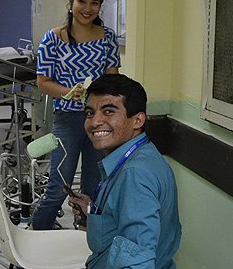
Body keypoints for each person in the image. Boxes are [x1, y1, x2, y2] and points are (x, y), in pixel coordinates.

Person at [31, 0, 120, 230]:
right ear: (70, 2)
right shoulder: (53, 39)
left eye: (94, 3)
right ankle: (38, 237)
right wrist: (70, 92)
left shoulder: (108, 38)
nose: (87, 9)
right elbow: (43, 82)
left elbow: (112, 81)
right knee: (58, 187)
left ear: (100, 6)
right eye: (82, 1)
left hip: (100, 122)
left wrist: (102, 97)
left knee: (93, 188)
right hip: (67, 121)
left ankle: (85, 244)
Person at [68, 74, 182, 268]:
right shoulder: (142, 154)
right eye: (90, 113)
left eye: (109, 111)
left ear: (137, 120)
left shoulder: (134, 174)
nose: (95, 121)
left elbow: (138, 263)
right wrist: (94, 210)